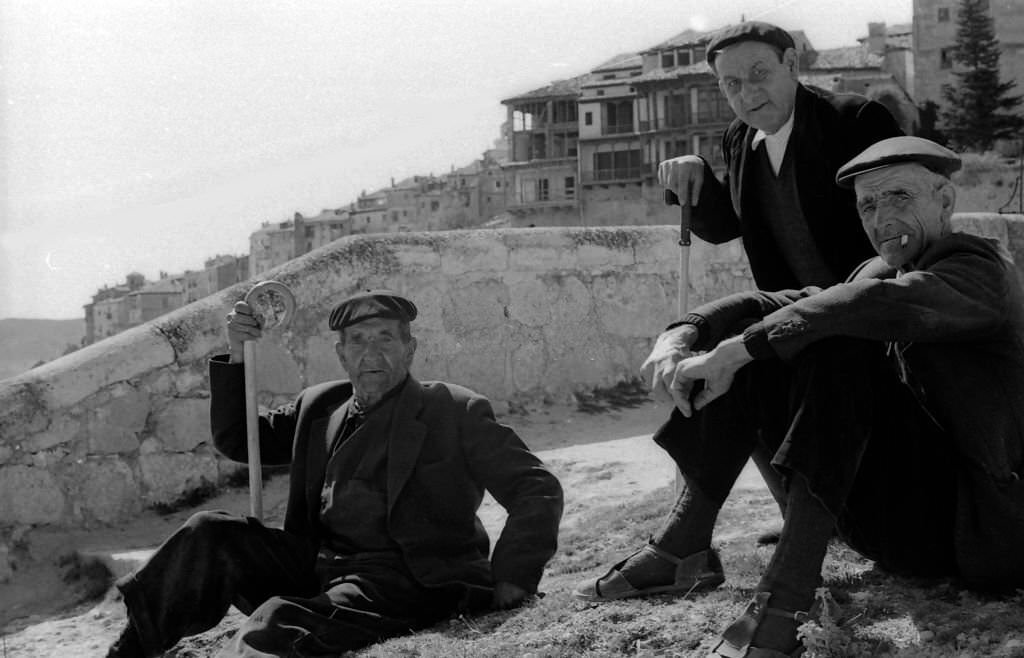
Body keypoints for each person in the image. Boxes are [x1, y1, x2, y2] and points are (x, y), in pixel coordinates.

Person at [579, 136, 1024, 656]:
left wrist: (739, 350)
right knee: (771, 338)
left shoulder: (979, 269)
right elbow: (781, 302)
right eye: (868, 204)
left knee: (828, 342)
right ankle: (683, 546)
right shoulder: (874, 271)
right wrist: (686, 335)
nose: (882, 216)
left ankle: (789, 595)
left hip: (975, 531)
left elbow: (869, 306)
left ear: (944, 202)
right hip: (889, 523)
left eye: (900, 197)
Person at [575, 20, 904, 606]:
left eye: (759, 74)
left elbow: (893, 221)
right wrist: (693, 179)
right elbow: (730, 224)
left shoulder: (854, 120)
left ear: (791, 64)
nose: (748, 92)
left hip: (867, 313)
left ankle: (734, 541)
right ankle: (689, 545)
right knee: (724, 370)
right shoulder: (738, 140)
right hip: (790, 314)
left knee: (754, 362)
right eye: (731, 84)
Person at [107, 290, 564, 657]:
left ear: (410, 348)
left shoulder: (453, 408)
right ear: (340, 353)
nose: (373, 353)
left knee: (275, 623)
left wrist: (514, 577)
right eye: (359, 341)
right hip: (316, 564)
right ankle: (131, 649)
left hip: (405, 580)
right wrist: (237, 353)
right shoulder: (319, 405)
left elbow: (535, 488)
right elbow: (236, 439)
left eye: (386, 338)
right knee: (209, 532)